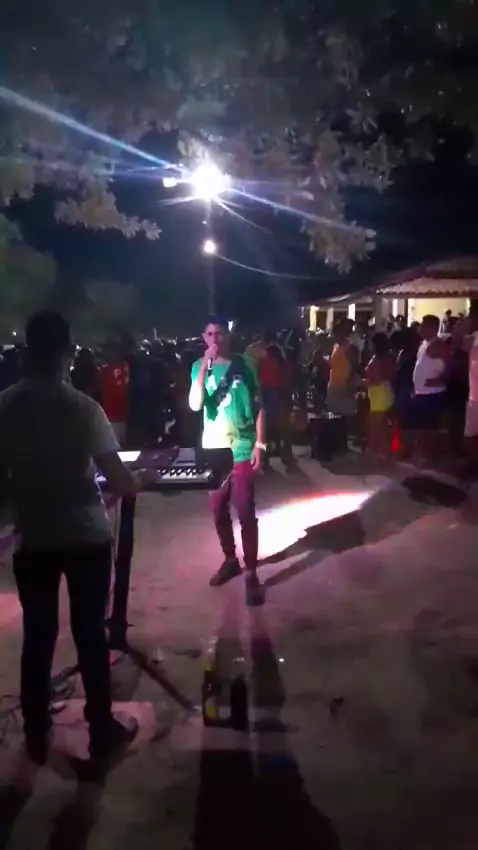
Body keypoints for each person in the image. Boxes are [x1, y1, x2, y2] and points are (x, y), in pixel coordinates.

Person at [0, 311, 150, 763]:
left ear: (28, 353)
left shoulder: (5, 406)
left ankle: (36, 729)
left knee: (38, 635)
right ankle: (100, 729)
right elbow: (118, 479)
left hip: (34, 538)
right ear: (66, 354)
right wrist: (137, 480)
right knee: (90, 634)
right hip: (86, 537)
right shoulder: (82, 408)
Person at [189, 316, 265, 601]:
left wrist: (260, 443)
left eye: (219, 333)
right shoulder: (198, 367)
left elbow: (259, 405)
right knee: (218, 509)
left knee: (245, 511)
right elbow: (195, 404)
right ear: (204, 338)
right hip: (214, 450)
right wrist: (203, 370)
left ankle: (251, 571)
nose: (215, 339)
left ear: (228, 335)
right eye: (209, 334)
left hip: (242, 446)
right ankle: (230, 559)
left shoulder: (246, 364)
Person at [404, 314, 450, 463]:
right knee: (422, 426)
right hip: (422, 392)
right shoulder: (424, 343)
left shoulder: (439, 345)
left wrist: (442, 380)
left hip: (433, 394)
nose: (420, 328)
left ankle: (432, 457)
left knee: (430, 428)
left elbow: (451, 365)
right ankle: (424, 455)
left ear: (433, 328)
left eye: (424, 325)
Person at [363, 332, 396, 457]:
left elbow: (376, 380)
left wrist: (362, 382)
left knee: (376, 425)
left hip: (378, 393)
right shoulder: (390, 357)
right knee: (382, 424)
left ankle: (381, 451)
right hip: (385, 391)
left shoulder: (377, 360)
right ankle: (384, 450)